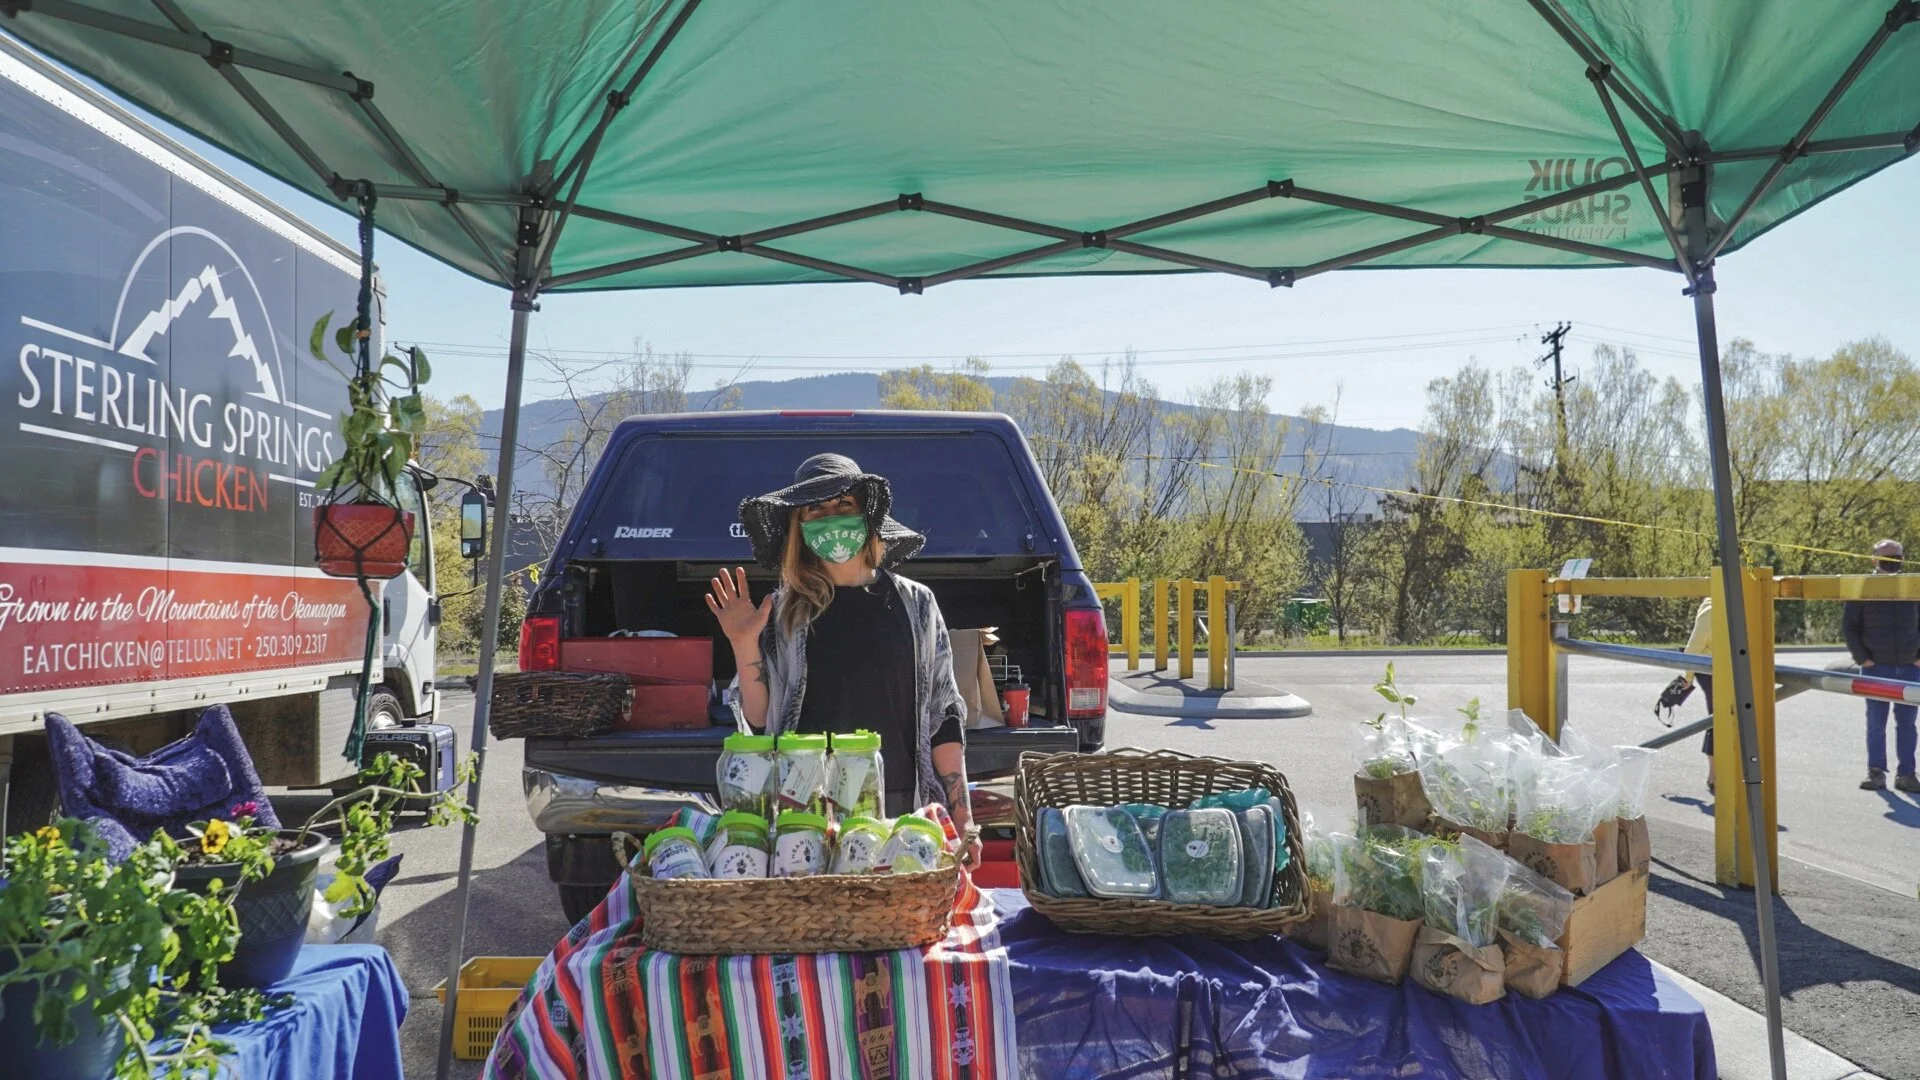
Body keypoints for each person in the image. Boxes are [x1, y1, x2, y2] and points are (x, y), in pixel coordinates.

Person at [707, 453, 981, 862]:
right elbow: (760, 720)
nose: (831, 517)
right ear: (800, 527)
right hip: (807, 822)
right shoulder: (781, 613)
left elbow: (944, 719)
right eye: (815, 509)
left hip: (901, 814)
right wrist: (743, 642)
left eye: (843, 504)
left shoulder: (917, 604)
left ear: (867, 516)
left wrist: (964, 820)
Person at [1842, 539, 1920, 793]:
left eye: (1896, 556)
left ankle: (1906, 774)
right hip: (1875, 667)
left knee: (1907, 724)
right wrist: (1863, 659)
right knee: (1876, 723)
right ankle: (1875, 772)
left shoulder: (1913, 585)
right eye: (1886, 556)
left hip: (1910, 667)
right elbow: (1850, 627)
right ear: (1873, 558)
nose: (1892, 560)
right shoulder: (1862, 587)